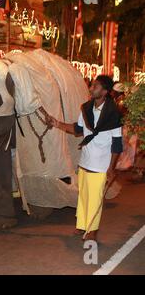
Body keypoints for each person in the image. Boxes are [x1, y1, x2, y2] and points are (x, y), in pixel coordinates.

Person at [48, 75, 123, 241]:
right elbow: (78, 129)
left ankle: (93, 230)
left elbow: (117, 144)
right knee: (83, 197)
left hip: (101, 165)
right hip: (85, 163)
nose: (91, 88)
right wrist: (57, 123)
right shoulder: (87, 109)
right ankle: (82, 225)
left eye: (95, 86)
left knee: (95, 200)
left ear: (104, 92)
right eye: (92, 85)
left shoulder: (114, 114)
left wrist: (111, 168)